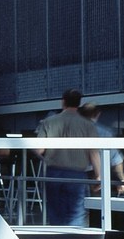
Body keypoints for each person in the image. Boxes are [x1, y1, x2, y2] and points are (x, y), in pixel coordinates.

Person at [37, 90, 103, 225]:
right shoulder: (87, 125)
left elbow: (39, 149)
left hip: (53, 172)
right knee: (76, 214)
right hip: (77, 173)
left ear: (63, 102)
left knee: (55, 213)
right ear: (79, 103)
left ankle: (58, 236)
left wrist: (47, 158)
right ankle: (74, 237)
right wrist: (98, 175)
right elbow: (93, 152)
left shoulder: (48, 122)